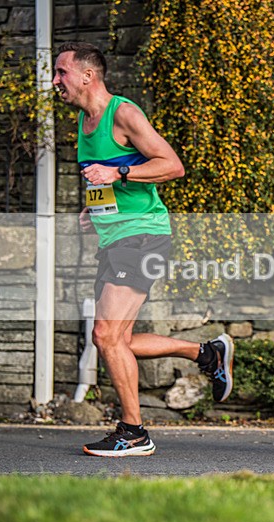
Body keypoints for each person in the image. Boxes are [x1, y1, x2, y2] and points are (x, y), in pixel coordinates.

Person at [53, 42, 234, 456]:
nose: (56, 81)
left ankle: (134, 431)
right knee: (117, 339)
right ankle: (206, 353)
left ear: (87, 76)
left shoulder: (123, 113)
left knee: (106, 334)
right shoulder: (84, 120)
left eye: (62, 72)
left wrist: (118, 172)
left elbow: (171, 165)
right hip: (116, 238)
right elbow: (105, 178)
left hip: (142, 236)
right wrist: (95, 207)